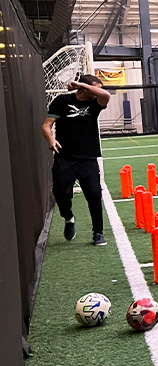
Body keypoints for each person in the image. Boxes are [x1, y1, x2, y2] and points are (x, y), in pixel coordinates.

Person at [42, 75, 111, 246]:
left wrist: (80, 84)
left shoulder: (95, 103)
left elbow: (106, 96)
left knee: (94, 195)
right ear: (84, 89)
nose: (99, 91)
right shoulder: (62, 101)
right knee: (61, 193)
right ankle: (68, 217)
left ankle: (98, 233)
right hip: (65, 157)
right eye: (95, 87)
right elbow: (46, 125)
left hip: (88, 158)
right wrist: (51, 140)